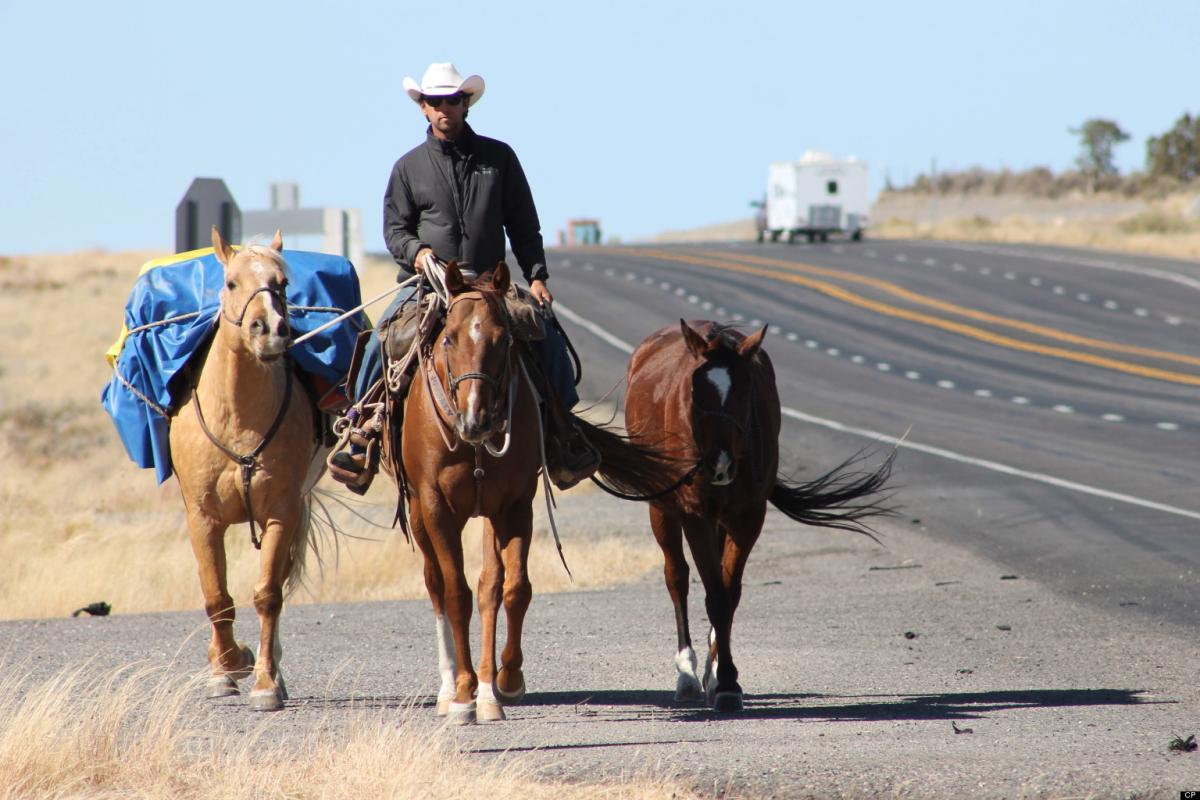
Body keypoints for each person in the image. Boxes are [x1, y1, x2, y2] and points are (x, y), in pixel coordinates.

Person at [329, 62, 599, 493]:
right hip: (428, 284)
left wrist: (537, 276)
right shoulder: (407, 168)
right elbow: (395, 229)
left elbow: (524, 223)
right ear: (422, 108)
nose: (443, 110)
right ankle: (362, 431)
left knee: (543, 332)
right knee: (384, 335)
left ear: (465, 103)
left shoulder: (500, 158)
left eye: (451, 101)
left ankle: (564, 434)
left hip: (491, 283)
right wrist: (417, 254)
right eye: (434, 102)